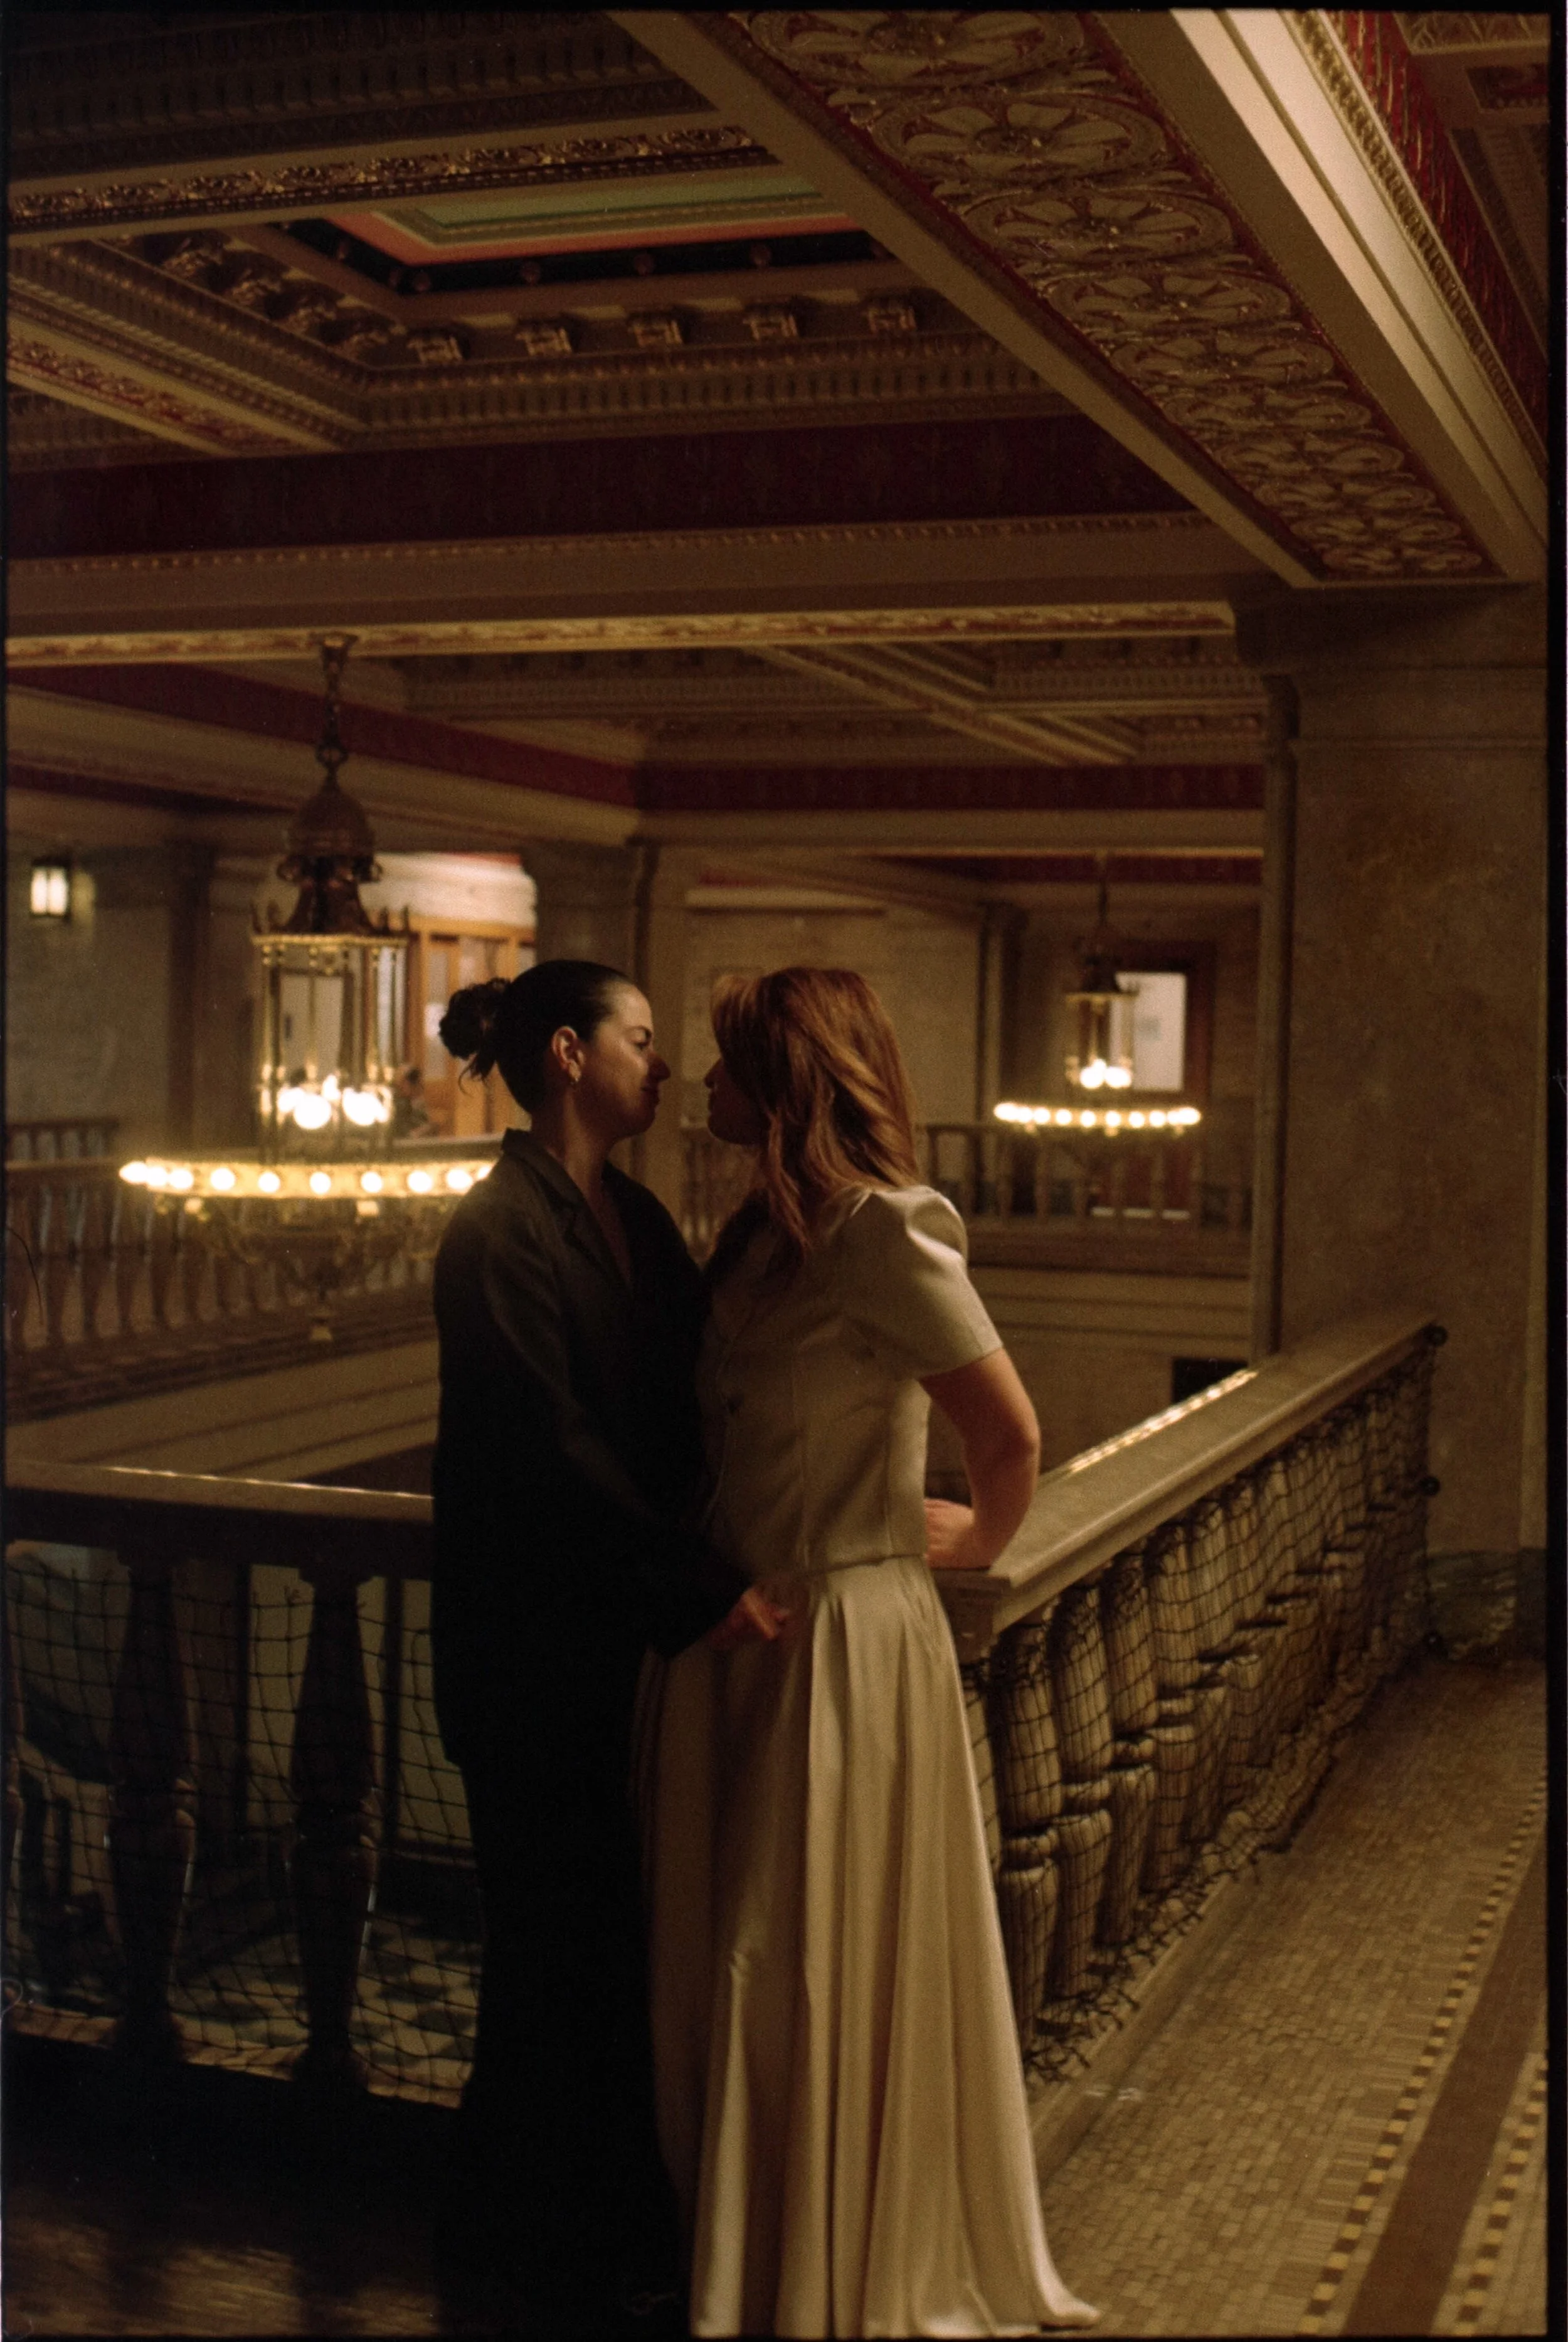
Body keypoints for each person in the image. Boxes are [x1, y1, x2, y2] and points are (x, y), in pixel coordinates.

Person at [639, 966, 1099, 2339]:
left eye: (727, 1064)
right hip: (743, 1637)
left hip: (842, 1641)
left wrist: (971, 1540)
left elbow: (1007, 1433)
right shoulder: (756, 1239)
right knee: (739, 1952)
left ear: (786, 1084)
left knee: (798, 1955)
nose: (703, 1085)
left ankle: (831, 2266)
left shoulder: (886, 1230)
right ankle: (757, 2247)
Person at [428, 959, 780, 2336]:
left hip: (613, 1642)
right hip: (528, 1656)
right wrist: (698, 1587)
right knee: (550, 1949)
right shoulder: (495, 1230)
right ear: (570, 1057)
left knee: (605, 1944)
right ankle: (523, 2251)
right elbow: (547, 1445)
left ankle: (560, 2235)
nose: (664, 1062)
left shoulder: (629, 1215)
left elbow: (697, 1389)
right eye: (641, 1038)